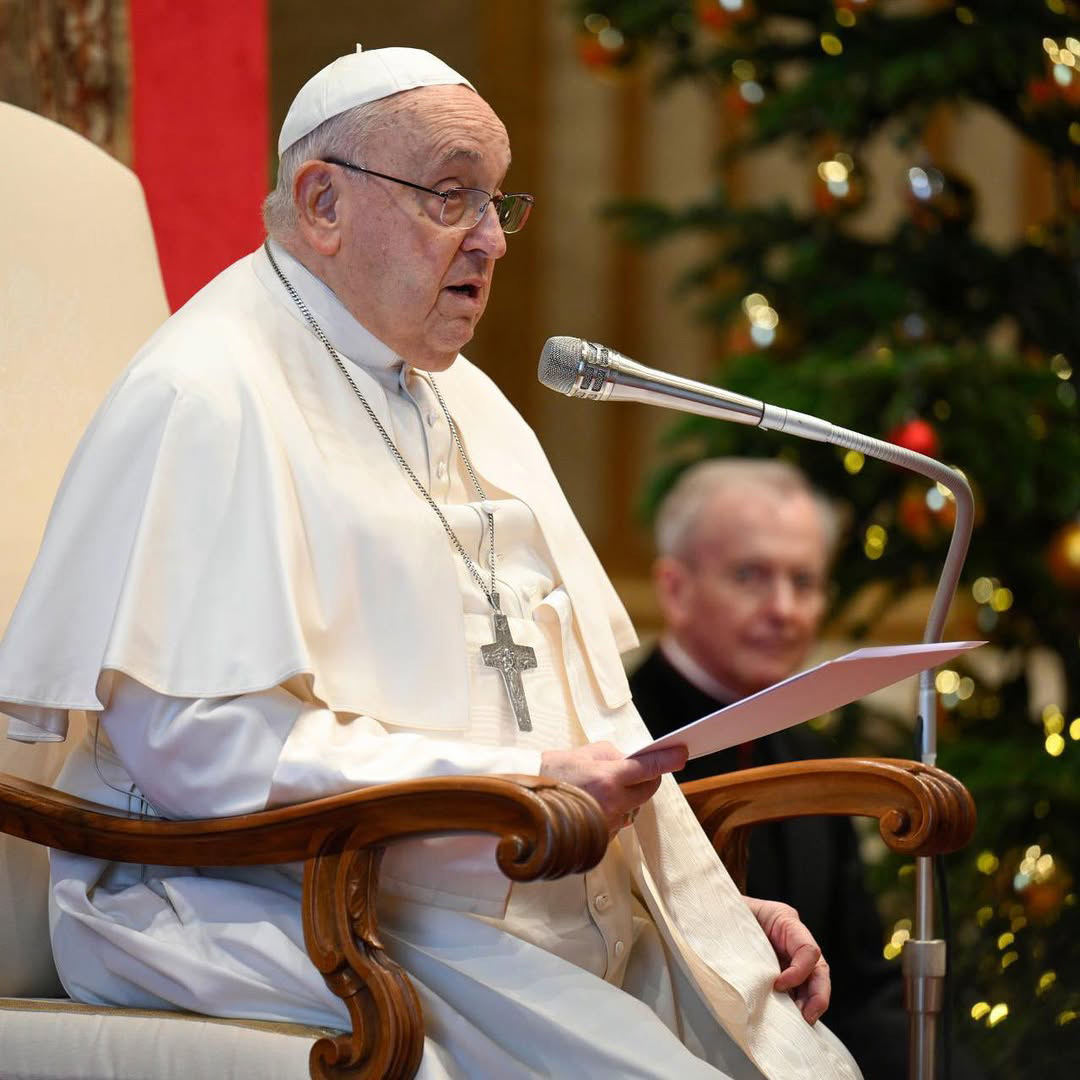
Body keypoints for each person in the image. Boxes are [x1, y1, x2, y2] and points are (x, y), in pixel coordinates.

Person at [0, 48, 862, 1079]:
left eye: (499, 203)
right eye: (452, 197)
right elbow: (197, 748)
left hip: (497, 876)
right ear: (322, 203)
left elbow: (575, 709)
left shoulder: (463, 400)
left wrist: (701, 915)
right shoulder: (206, 392)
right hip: (251, 898)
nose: (490, 239)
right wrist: (515, 783)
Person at [629, 458, 908, 1080]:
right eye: (750, 576)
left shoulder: (813, 758)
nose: (784, 609)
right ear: (675, 589)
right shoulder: (615, 745)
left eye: (804, 582)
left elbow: (864, 988)